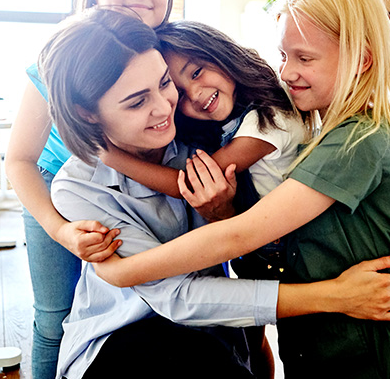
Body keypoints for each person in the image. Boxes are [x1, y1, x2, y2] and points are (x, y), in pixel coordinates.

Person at [90, 0, 390, 378]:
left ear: (361, 60)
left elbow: (239, 236)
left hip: (373, 353)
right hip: (319, 344)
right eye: (283, 56)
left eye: (304, 58)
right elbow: (275, 255)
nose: (287, 73)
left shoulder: (357, 142)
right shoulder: (316, 132)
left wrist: (124, 270)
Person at [4, 0, 174, 379]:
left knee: (158, 304)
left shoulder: (176, 53)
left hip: (142, 190)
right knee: (55, 316)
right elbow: (19, 159)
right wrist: (59, 229)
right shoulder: (60, 58)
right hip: (58, 197)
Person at [97, 19, 306, 377]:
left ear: (223, 55)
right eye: (178, 90)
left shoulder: (270, 120)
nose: (194, 95)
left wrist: (113, 157)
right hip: (257, 244)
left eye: (196, 73)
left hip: (286, 249)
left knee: (292, 339)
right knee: (254, 335)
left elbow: (188, 184)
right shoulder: (236, 118)